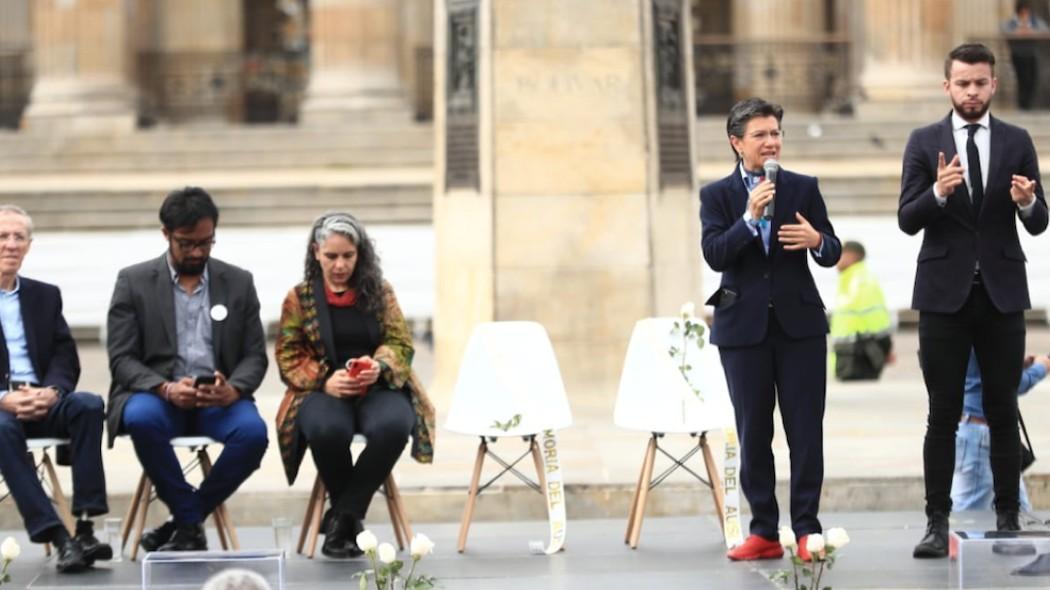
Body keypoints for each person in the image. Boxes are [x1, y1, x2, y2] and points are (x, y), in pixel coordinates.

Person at [899, 43, 1048, 559]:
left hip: (1002, 294)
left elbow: (1039, 219)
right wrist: (938, 192)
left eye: (980, 83)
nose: (971, 91)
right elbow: (907, 218)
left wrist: (1028, 201)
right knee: (943, 414)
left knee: (1002, 408)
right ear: (947, 86)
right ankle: (936, 523)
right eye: (962, 83)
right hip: (943, 296)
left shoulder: (1016, 140)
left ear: (993, 85)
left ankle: (1008, 516)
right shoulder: (924, 142)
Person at [700, 98, 841, 561]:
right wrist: (748, 219)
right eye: (760, 134)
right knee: (753, 432)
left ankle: (806, 529)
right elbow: (716, 255)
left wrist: (817, 241)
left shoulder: (802, 187)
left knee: (805, 430)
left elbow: (833, 248)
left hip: (799, 325)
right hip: (743, 330)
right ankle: (762, 529)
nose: (771, 141)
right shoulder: (717, 196)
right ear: (737, 142)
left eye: (776, 133)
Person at [106, 187, 269, 552]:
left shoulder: (238, 282)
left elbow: (255, 356)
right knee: (141, 419)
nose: (197, 252)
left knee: (253, 434)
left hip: (219, 400)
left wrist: (235, 388)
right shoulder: (133, 282)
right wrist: (164, 388)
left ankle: (184, 519)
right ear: (166, 235)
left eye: (206, 243)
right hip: (159, 397)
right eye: (187, 244)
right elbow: (121, 359)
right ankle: (189, 521)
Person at [274, 212, 435, 559]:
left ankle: (343, 517)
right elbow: (287, 355)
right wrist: (324, 379)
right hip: (324, 393)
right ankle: (347, 522)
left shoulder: (380, 292)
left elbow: (401, 343)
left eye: (348, 256)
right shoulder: (299, 298)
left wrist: (377, 366)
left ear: (360, 254)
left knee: (394, 425)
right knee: (325, 428)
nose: (340, 264)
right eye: (331, 256)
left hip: (377, 389)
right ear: (316, 252)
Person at [0, 205, 110, 573]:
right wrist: (5, 399)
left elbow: (66, 357)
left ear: (29, 246)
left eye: (19, 237)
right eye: (3, 236)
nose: (11, 245)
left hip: (43, 401)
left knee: (89, 405)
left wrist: (52, 391)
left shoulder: (45, 296)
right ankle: (58, 537)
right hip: (2, 412)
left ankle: (85, 527)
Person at [951, 349, 1049, 512]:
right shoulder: (987, 329)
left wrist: (1015, 365)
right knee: (968, 519)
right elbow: (1013, 384)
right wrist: (1041, 367)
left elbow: (984, 373)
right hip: (981, 437)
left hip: (985, 434)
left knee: (1021, 516)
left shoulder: (968, 332)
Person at [829, 240, 894, 381]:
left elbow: (878, 321)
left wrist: (886, 349)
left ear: (851, 256)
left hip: (860, 360)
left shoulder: (862, 282)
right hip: (846, 360)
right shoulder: (848, 280)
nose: (835, 260)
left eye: (839, 254)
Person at [1002, 0, 1048, 110]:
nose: (1025, 15)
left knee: (1032, 79)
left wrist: (1032, 32)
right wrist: (1017, 32)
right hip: (1017, 54)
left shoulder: (1035, 22)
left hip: (1031, 54)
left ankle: (1028, 104)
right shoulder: (1012, 22)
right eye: (1023, 12)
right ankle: (1022, 105)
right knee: (1021, 79)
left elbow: (1045, 30)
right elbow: (1004, 30)